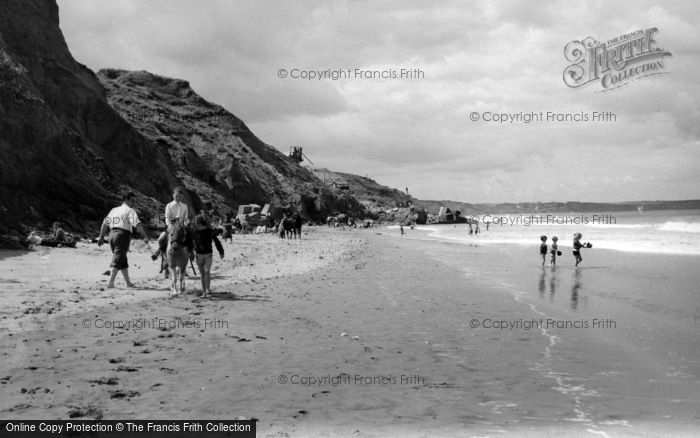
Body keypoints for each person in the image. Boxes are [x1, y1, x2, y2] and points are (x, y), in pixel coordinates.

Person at [98, 191, 150, 288]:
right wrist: (145, 236)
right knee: (118, 258)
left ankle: (128, 283)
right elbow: (138, 225)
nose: (134, 203)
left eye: (135, 201)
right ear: (126, 200)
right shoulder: (130, 211)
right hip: (122, 235)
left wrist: (101, 237)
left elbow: (105, 223)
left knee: (122, 259)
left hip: (111, 235)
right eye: (132, 201)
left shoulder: (114, 210)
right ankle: (110, 283)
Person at [152, 188, 190, 260]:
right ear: (173, 196)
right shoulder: (169, 205)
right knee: (160, 239)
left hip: (182, 227)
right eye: (177, 196)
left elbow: (186, 218)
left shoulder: (185, 206)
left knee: (191, 238)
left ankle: (191, 253)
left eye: (180, 196)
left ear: (182, 197)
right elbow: (167, 217)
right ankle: (162, 253)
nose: (178, 198)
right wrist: (170, 226)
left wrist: (186, 224)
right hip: (171, 226)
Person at [192, 214, 224, 297]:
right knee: (202, 274)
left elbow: (217, 242)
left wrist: (221, 251)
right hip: (198, 255)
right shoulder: (195, 232)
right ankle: (204, 291)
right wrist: (190, 252)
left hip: (208, 255)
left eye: (198, 224)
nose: (197, 226)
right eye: (196, 225)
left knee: (207, 272)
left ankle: (208, 290)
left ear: (203, 224)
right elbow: (189, 242)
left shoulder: (210, 231)